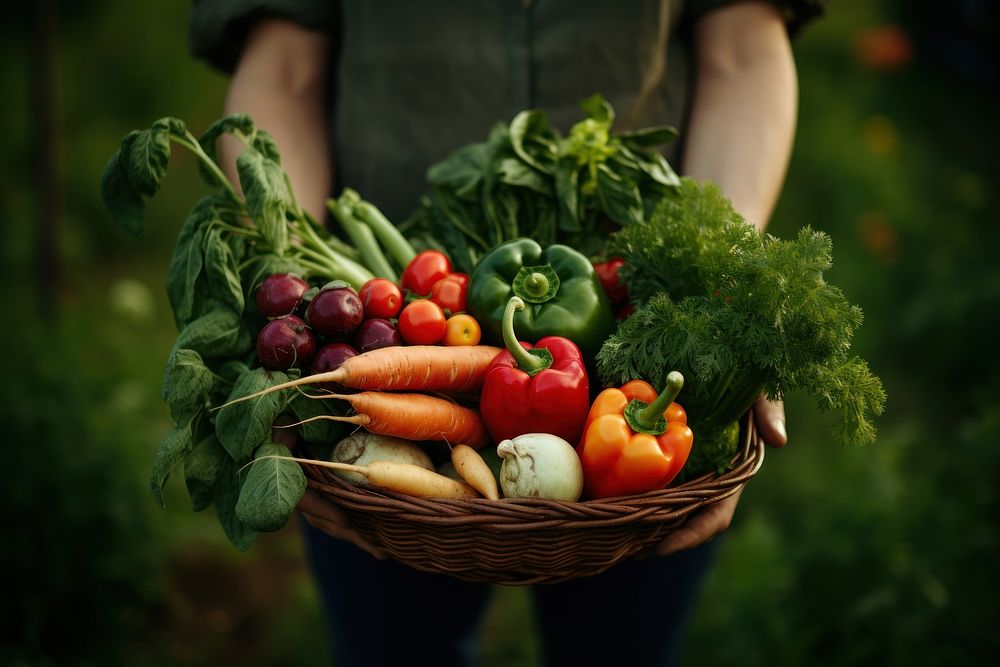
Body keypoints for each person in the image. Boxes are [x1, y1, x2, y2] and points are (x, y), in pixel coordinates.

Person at [190, 1, 819, 664]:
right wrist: (294, 309)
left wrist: (724, 291)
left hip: (648, 306)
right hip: (381, 332)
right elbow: (282, 69)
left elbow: (743, 50)